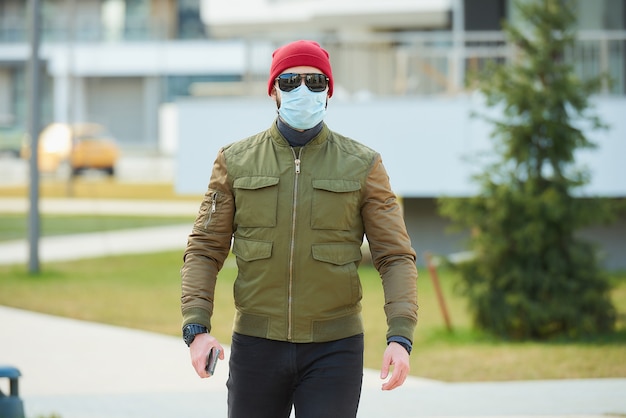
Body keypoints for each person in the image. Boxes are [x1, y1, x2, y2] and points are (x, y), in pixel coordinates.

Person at [180, 39, 418, 418]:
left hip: (334, 349)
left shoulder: (363, 165)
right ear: (273, 90)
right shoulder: (234, 161)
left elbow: (395, 256)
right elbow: (204, 250)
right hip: (256, 346)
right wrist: (196, 328)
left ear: (329, 92)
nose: (303, 90)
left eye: (315, 81)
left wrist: (400, 336)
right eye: (290, 81)